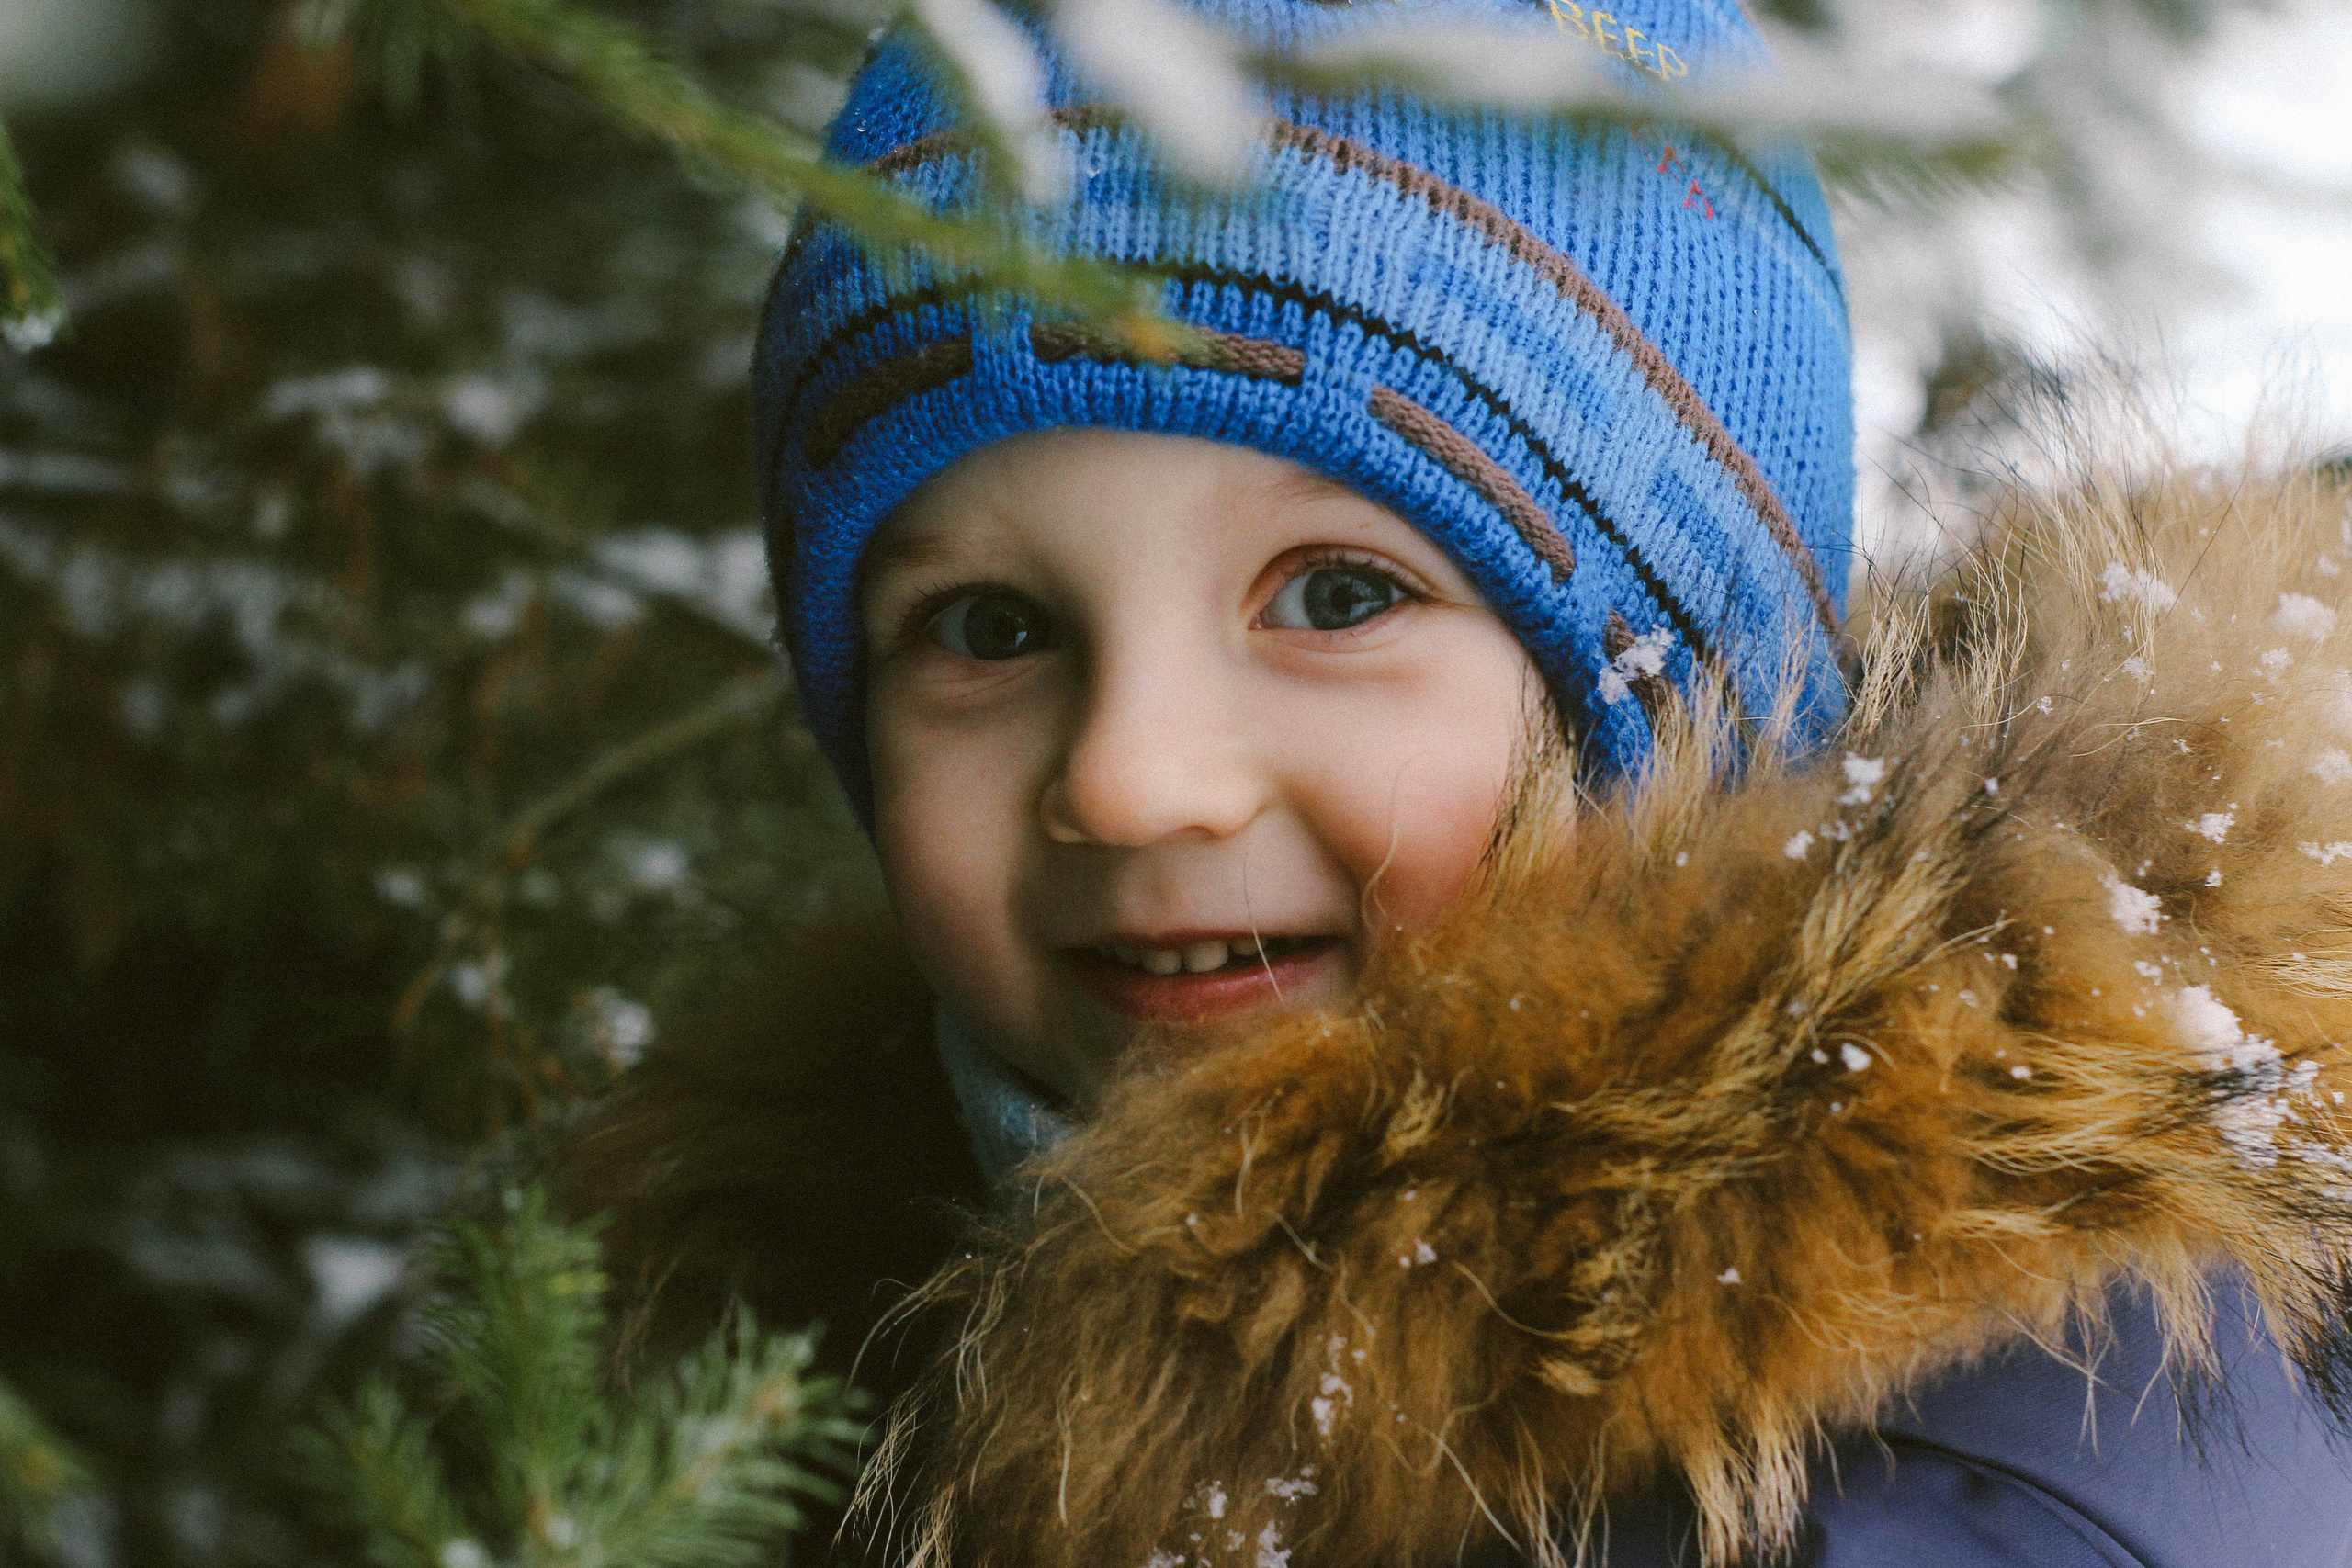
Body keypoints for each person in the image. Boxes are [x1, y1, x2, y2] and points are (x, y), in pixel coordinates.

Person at [567, 0, 2352, 1562]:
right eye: (984, 623)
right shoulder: (783, 1373)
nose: (1126, 778)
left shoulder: (1948, 1477)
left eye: (1336, 595)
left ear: (1686, 680)